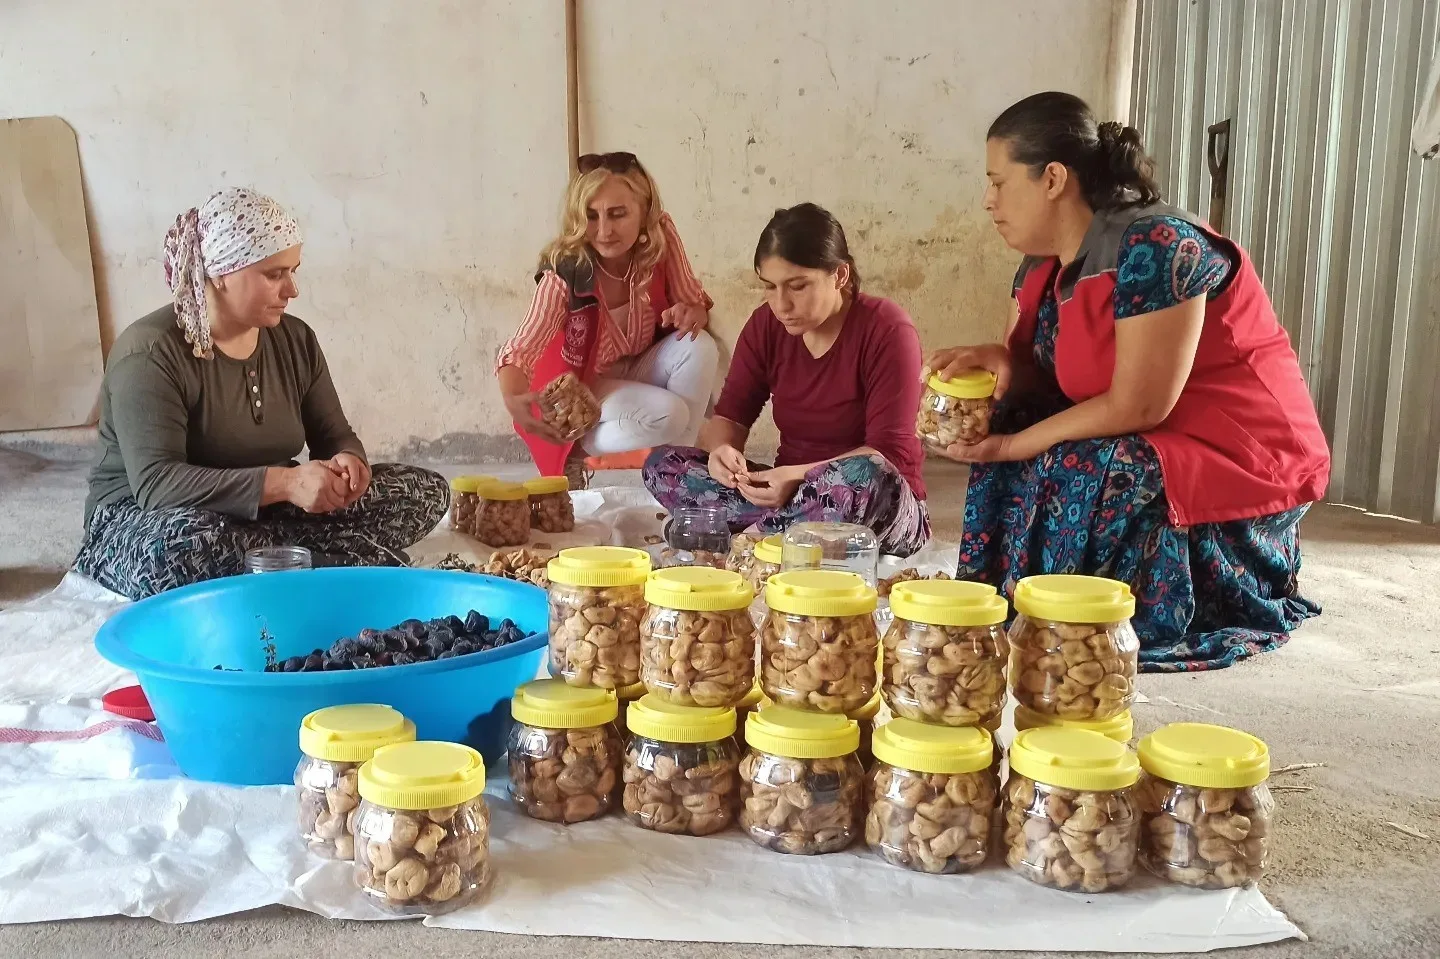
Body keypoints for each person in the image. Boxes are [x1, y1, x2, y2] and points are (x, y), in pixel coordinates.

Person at [930, 92, 1330, 671]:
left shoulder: (1159, 248)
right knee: (1009, 423)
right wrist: (1005, 367)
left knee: (1096, 463)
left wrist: (1016, 445)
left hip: (1242, 450)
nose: (988, 201)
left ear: (1053, 179)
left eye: (998, 181)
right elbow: (1057, 381)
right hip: (1150, 428)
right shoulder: (1043, 263)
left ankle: (1102, 622)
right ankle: (1022, 598)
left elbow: (1139, 404)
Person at [74, 187, 449, 600]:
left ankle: (281, 559)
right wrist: (286, 483)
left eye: (293, 271)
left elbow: (333, 432)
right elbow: (158, 484)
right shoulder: (149, 351)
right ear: (220, 273)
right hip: (147, 517)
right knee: (179, 550)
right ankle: (319, 560)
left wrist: (348, 463)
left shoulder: (295, 339)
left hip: (263, 515)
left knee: (422, 492)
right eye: (274, 274)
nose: (292, 290)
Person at [644, 203, 930, 556]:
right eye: (770, 287)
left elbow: (890, 456)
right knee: (661, 465)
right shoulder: (767, 325)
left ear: (840, 275)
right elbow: (730, 418)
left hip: (873, 503)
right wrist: (723, 453)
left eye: (797, 286)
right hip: (789, 495)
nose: (782, 305)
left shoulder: (886, 329)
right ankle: (777, 535)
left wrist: (799, 475)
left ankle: (743, 541)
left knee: (866, 475)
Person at [495, 152, 719, 487]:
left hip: (640, 365)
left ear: (644, 212)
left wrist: (692, 313)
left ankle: (677, 473)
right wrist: (514, 399)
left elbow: (695, 302)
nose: (604, 231)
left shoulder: (660, 243)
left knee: (699, 345)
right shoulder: (567, 271)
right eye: (591, 216)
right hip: (584, 386)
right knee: (670, 414)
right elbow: (521, 347)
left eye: (617, 214)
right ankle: (578, 447)